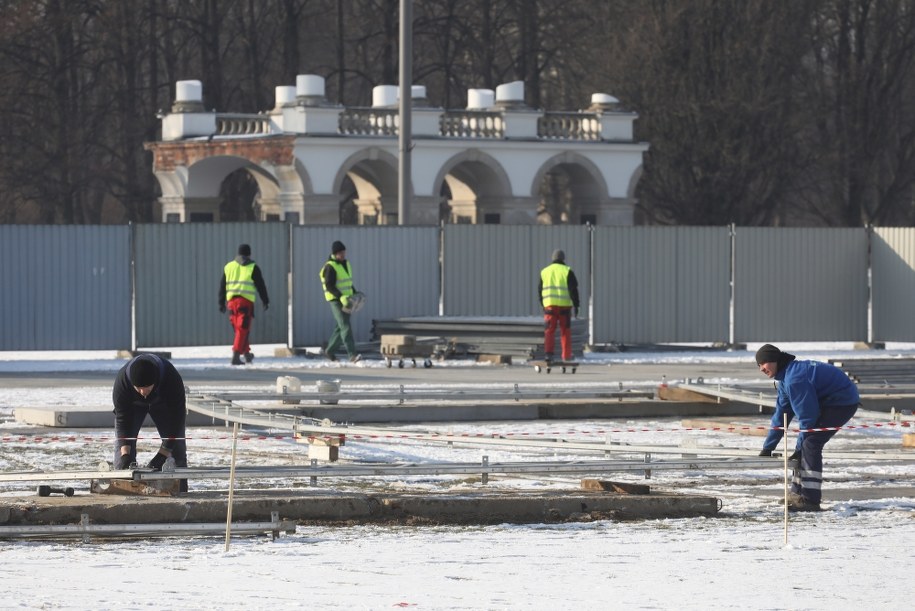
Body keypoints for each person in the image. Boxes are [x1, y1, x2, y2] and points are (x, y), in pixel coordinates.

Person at [755, 344, 860, 512]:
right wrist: (768, 447)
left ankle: (810, 499)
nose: (761, 368)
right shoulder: (784, 379)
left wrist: (798, 447)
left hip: (842, 402)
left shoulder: (795, 378)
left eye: (763, 363)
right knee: (804, 445)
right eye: (758, 365)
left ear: (774, 361)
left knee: (810, 443)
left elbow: (808, 417)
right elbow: (781, 416)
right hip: (828, 401)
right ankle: (797, 494)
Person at [112, 353, 188, 491]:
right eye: (138, 387)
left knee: (177, 451)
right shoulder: (122, 383)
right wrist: (125, 453)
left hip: (163, 404)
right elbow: (123, 420)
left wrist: (163, 453)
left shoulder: (171, 379)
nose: (142, 391)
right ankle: (124, 493)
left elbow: (176, 420)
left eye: (146, 387)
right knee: (121, 456)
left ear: (155, 381)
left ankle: (181, 493)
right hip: (133, 407)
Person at [219, 243, 269, 365]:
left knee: (240, 330)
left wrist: (221, 302)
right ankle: (236, 356)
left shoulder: (229, 266)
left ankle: (247, 355)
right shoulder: (252, 267)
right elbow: (260, 285)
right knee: (242, 330)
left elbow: (222, 286)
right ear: (249, 254)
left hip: (231, 303)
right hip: (245, 304)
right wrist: (265, 300)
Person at [319, 240, 362, 363]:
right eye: (340, 253)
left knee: (340, 327)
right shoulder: (330, 266)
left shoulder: (346, 264)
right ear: (334, 254)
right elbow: (329, 286)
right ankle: (352, 355)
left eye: (343, 252)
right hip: (336, 300)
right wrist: (341, 297)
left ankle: (329, 351)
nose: (343, 254)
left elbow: (348, 282)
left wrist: (354, 293)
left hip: (346, 300)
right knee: (345, 326)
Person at [537, 249, 580, 364]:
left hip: (549, 307)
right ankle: (566, 356)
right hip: (564, 308)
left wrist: (543, 304)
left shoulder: (544, 272)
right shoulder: (567, 271)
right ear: (563, 258)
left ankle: (548, 355)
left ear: (553, 258)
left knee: (549, 331)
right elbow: (573, 290)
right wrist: (576, 306)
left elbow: (540, 290)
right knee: (565, 332)